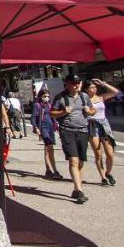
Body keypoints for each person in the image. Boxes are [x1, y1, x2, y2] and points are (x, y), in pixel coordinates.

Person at [51, 74, 95, 203]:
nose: (76, 85)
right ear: (67, 84)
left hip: (82, 131)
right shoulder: (60, 97)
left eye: (78, 83)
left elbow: (93, 111)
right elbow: (52, 113)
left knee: (80, 162)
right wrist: (64, 112)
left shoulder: (84, 96)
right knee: (73, 161)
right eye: (73, 83)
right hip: (67, 131)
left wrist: (89, 111)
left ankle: (76, 189)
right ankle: (79, 190)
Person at [85, 78, 120, 186]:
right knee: (98, 154)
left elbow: (116, 93)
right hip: (92, 124)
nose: (94, 89)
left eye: (95, 87)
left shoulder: (101, 98)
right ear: (86, 89)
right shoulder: (84, 100)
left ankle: (108, 173)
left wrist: (104, 84)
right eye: (91, 87)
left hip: (104, 124)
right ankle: (103, 177)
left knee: (110, 154)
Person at [33, 89, 62, 179]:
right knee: (50, 148)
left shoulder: (49, 105)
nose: (47, 98)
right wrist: (36, 128)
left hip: (50, 128)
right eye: (44, 96)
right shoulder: (37, 105)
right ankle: (55, 170)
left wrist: (56, 126)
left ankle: (48, 169)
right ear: (40, 97)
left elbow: (53, 116)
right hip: (43, 128)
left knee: (47, 149)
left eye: (48, 96)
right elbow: (33, 117)